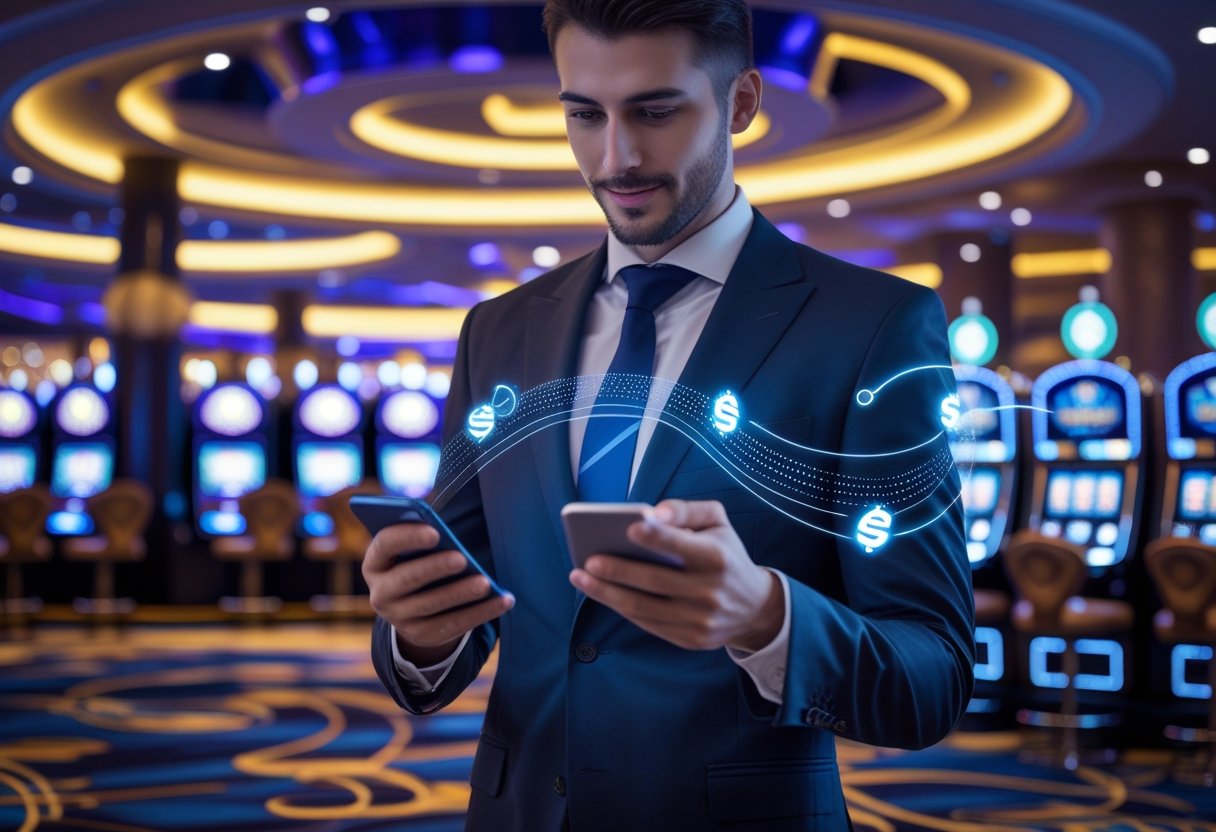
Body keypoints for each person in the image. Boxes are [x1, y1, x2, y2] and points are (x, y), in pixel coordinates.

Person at [365, 1, 975, 829]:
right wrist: (419, 628)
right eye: (584, 115)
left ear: (742, 104)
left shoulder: (873, 327)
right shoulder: (498, 330)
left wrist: (765, 614)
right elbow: (478, 601)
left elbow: (931, 675)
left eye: (655, 111)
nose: (614, 158)